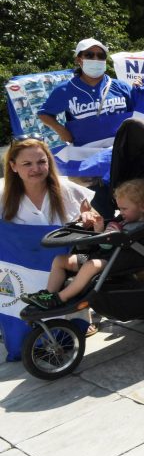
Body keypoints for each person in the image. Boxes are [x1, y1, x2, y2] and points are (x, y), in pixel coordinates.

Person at [2, 138, 96, 333]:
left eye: (41, 162)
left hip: (64, 266)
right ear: (13, 166)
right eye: (27, 164)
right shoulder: (4, 198)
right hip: (25, 273)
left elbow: (95, 218)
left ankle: (79, 317)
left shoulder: (68, 190)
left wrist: (89, 217)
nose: (36, 168)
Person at [21, 178, 144, 311]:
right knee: (60, 260)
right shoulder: (124, 221)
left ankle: (61, 297)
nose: (121, 213)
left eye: (124, 209)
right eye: (119, 208)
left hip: (122, 260)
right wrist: (99, 230)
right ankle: (48, 295)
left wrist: (111, 236)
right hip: (105, 255)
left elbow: (109, 245)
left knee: (91, 265)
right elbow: (105, 245)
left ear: (143, 207)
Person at [37, 37, 134, 218]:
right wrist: (62, 131)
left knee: (131, 207)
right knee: (100, 211)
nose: (96, 59)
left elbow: (139, 114)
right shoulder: (65, 90)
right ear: (78, 59)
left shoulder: (120, 87)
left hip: (122, 157)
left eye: (101, 55)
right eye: (90, 54)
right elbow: (44, 113)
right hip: (90, 161)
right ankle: (104, 242)